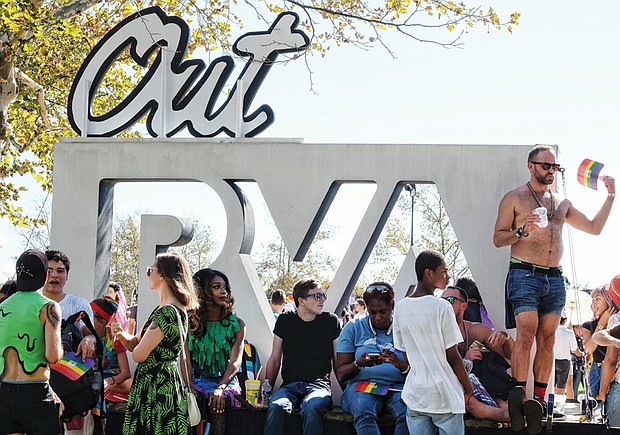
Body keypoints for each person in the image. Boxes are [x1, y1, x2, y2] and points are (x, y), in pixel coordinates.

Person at [493, 144, 615, 414]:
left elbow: (594, 228)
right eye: (546, 166)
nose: (551, 171)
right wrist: (522, 231)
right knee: (526, 331)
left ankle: (538, 401)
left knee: (548, 338)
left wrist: (610, 195)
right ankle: (518, 396)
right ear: (531, 166)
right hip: (524, 272)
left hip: (555, 278)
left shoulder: (561, 203)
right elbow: (498, 238)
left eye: (555, 167)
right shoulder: (514, 197)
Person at [111, 252, 199, 435]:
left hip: (157, 388)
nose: (148, 274)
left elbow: (138, 354)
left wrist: (136, 346)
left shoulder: (166, 313)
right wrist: (120, 333)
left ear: (162, 275)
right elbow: (136, 343)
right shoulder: (166, 310)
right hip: (159, 384)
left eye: (150, 270)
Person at [393, 249, 473, 435]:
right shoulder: (442, 307)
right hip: (444, 396)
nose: (448, 276)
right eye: (443, 271)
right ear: (429, 273)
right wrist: (468, 389)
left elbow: (406, 355)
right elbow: (452, 356)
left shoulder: (401, 308)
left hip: (416, 395)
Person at [264, 278, 341, 435]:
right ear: (302, 300)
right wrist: (267, 390)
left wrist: (348, 393)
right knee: (277, 406)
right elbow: (274, 359)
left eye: (323, 295)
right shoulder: (285, 320)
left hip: (319, 387)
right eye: (317, 296)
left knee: (312, 407)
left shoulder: (330, 321)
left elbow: (338, 362)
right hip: (289, 386)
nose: (322, 300)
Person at [0, 249, 63, 435]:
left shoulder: (3, 307)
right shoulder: (49, 307)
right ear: (45, 274)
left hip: (4, 391)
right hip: (35, 392)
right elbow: (53, 356)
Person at [336, 282, 408, 435]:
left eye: (383, 311)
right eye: (372, 312)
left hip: (397, 386)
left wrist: (400, 365)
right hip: (362, 386)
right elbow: (341, 374)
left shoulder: (404, 328)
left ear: (392, 305)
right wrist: (359, 364)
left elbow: (419, 370)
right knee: (363, 410)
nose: (378, 317)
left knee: (409, 412)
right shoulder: (354, 327)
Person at [440, 285, 516, 424]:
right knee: (471, 403)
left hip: (478, 385)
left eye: (450, 300)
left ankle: (521, 413)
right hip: (452, 387)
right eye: (441, 300)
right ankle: (510, 416)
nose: (444, 304)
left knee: (498, 398)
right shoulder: (436, 332)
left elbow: (510, 355)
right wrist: (465, 359)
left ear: (464, 306)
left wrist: (506, 338)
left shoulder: (475, 330)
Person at [188, 268, 245, 435]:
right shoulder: (191, 323)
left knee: (218, 403)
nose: (223, 291)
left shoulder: (238, 325)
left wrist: (220, 388)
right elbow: (185, 361)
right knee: (190, 402)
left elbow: (235, 361)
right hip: (197, 381)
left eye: (224, 287)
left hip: (225, 382)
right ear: (202, 291)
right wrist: (189, 386)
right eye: (216, 286)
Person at [43, 250, 97, 360]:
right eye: (49, 270)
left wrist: (90, 339)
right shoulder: (32, 304)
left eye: (60, 271)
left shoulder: (79, 304)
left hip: (68, 370)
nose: (54, 275)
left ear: (67, 276)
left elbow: (89, 333)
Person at [90, 297, 131, 435]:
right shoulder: (86, 337)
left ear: (101, 322)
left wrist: (109, 381)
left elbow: (125, 372)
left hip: (113, 385)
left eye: (90, 317)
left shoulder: (115, 339)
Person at [581, 285, 617, 401]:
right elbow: (588, 349)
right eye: (592, 299)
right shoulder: (588, 325)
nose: (594, 303)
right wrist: (601, 323)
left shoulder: (617, 321)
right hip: (596, 372)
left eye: (598, 299)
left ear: (609, 300)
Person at [553, 312, 579, 416]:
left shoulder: (552, 331)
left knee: (551, 386)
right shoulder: (569, 333)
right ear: (565, 319)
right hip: (564, 361)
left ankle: (550, 405)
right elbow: (574, 349)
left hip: (552, 360)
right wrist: (581, 354)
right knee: (561, 386)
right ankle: (558, 409)